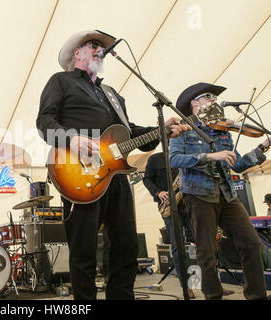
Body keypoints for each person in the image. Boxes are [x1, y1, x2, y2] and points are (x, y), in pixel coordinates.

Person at [36, 30, 190, 300]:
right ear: (78, 53)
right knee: (84, 251)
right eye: (94, 45)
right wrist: (71, 140)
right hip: (78, 173)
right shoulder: (61, 81)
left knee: (125, 247)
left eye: (101, 47)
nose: (100, 50)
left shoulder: (112, 94)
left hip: (116, 176)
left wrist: (162, 130)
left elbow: (129, 133)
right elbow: (44, 122)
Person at [169, 82, 270, 300]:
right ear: (194, 103)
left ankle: (257, 296)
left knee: (252, 244)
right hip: (198, 194)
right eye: (208, 96)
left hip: (226, 194)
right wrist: (210, 156)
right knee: (207, 251)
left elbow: (238, 164)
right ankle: (213, 296)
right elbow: (174, 159)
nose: (214, 100)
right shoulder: (183, 129)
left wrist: (263, 146)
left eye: (214, 97)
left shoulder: (222, 129)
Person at [143, 151, 196, 298]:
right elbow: (147, 179)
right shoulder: (155, 158)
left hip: (190, 202)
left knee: (204, 242)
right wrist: (158, 192)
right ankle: (186, 286)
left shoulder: (185, 154)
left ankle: (210, 283)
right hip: (169, 207)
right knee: (178, 246)